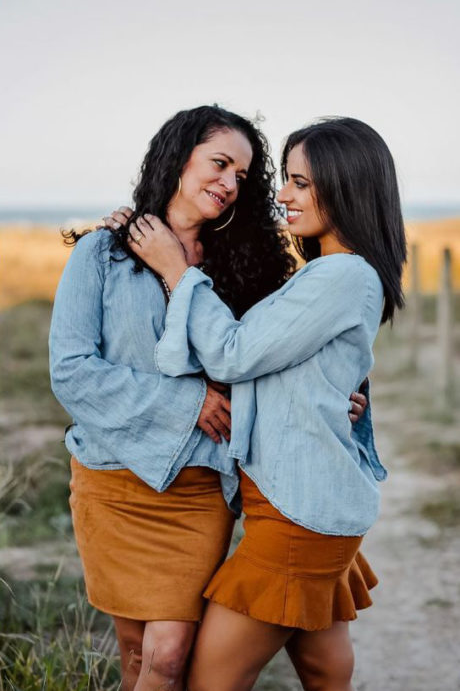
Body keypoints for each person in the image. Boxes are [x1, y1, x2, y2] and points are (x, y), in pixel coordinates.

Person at [49, 106, 367, 691]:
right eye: (219, 163)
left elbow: (286, 350)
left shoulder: (250, 266)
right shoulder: (100, 254)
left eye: (243, 176)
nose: (229, 183)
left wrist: (339, 398)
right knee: (138, 655)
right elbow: (70, 372)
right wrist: (188, 404)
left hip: (201, 486)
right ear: (179, 156)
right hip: (111, 479)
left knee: (169, 655)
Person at [123, 116, 406, 691]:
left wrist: (177, 270)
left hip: (297, 518)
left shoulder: (343, 275)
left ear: (346, 184)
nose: (281, 194)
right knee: (325, 667)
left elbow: (233, 355)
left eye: (300, 182)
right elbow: (308, 365)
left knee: (209, 680)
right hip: (301, 506)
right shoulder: (334, 272)